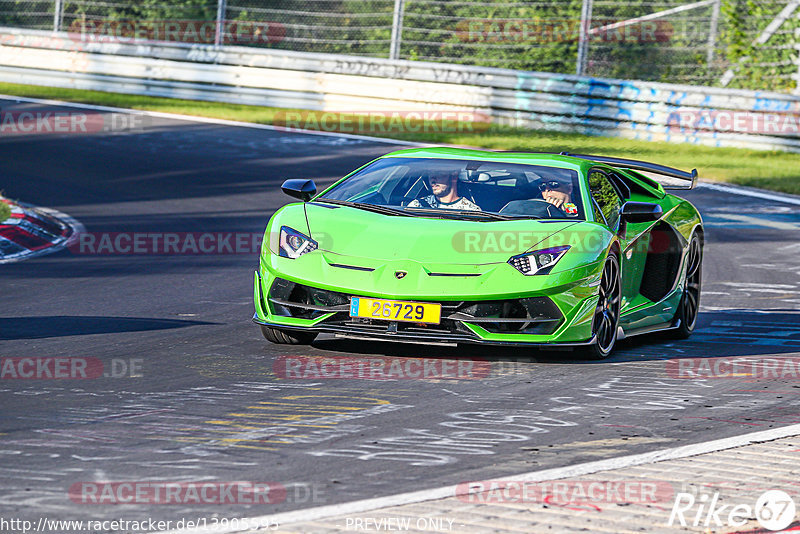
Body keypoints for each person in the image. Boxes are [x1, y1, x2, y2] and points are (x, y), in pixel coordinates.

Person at [408, 169, 481, 211]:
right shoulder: (417, 205)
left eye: (438, 173)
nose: (432, 179)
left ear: (454, 176)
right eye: (430, 173)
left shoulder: (471, 210)